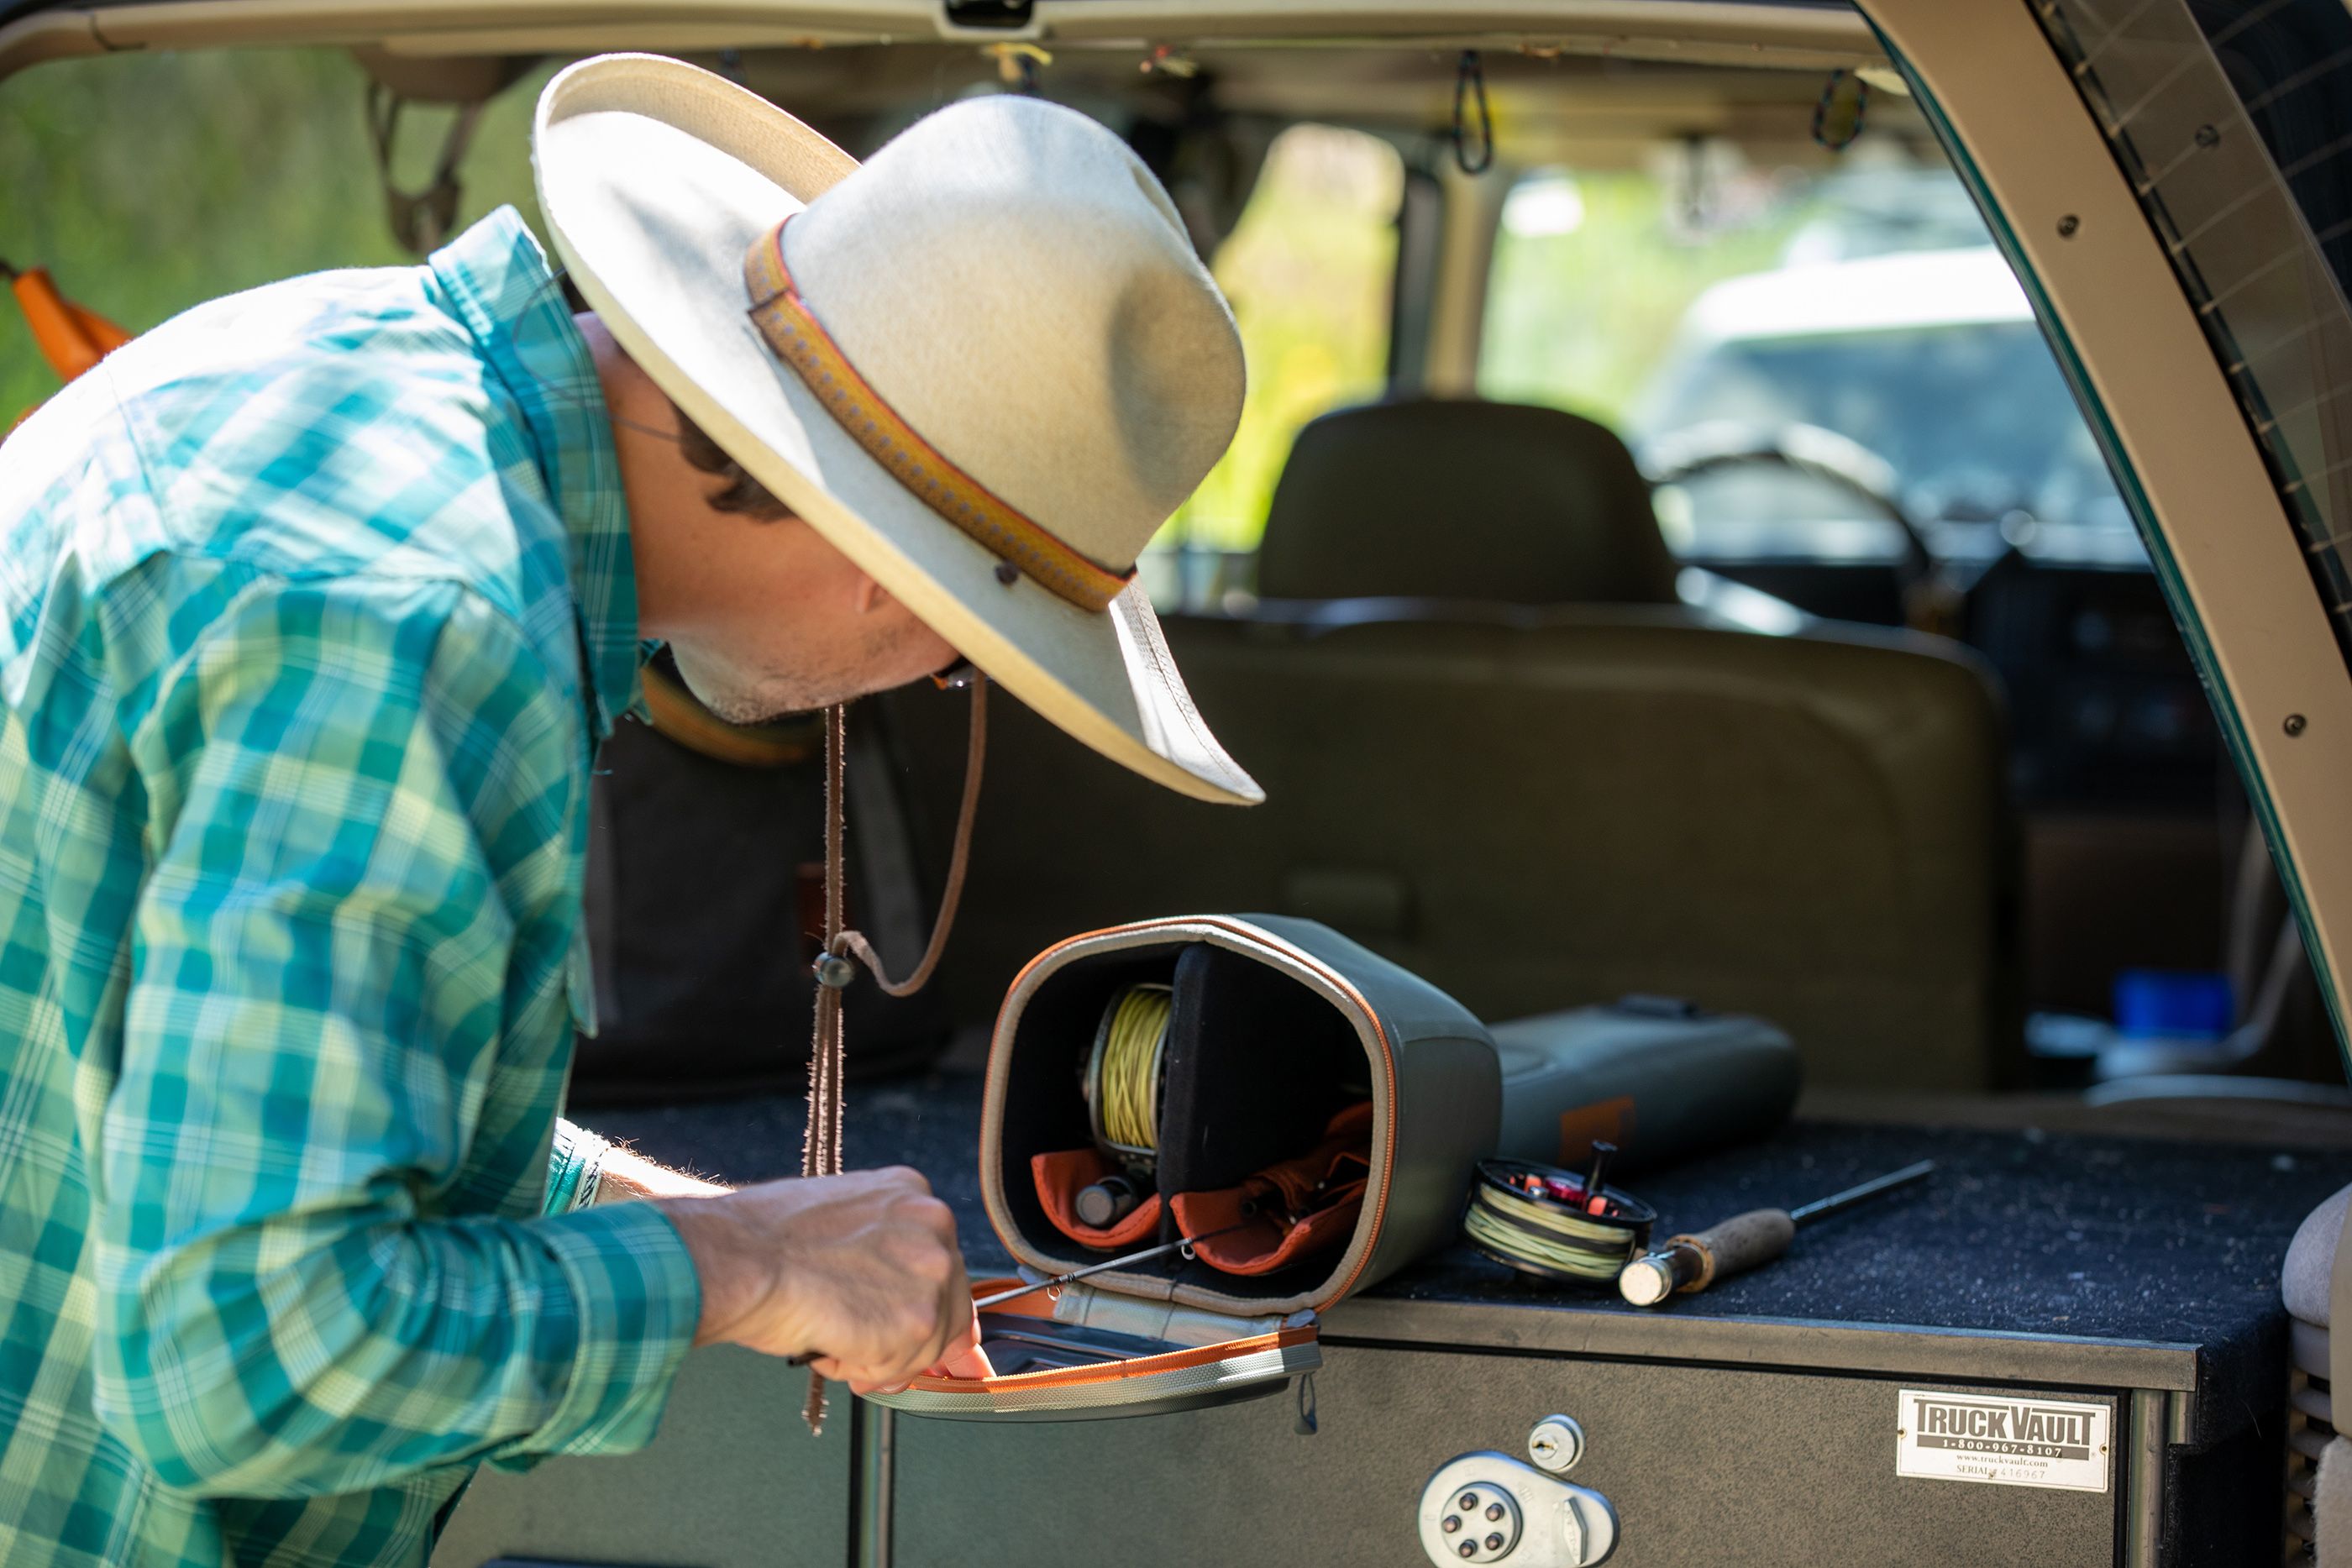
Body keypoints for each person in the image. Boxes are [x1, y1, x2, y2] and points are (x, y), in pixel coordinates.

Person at [0, 52, 1257, 1568]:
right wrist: (731, 1264)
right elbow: (257, 1360)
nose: (929, 680)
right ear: (893, 567)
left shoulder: (319, 378)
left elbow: (253, 1124)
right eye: (971, 654)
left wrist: (762, 1235)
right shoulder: (423, 624)